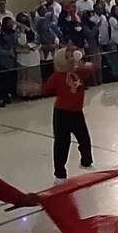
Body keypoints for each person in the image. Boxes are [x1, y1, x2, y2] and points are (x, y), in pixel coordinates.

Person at [41, 48, 95, 184]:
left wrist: (80, 63)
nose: (71, 57)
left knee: (84, 139)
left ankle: (86, 162)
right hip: (62, 114)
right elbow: (47, 89)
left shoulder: (78, 72)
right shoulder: (56, 76)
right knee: (61, 144)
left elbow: (92, 68)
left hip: (77, 112)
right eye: (68, 56)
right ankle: (60, 174)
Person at [14, 12, 42, 99]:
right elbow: (20, 43)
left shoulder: (33, 30)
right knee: (25, 76)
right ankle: (25, 94)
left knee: (34, 75)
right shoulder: (17, 31)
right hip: (24, 57)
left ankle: (35, 93)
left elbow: (38, 41)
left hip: (34, 54)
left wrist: (30, 46)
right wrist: (22, 31)